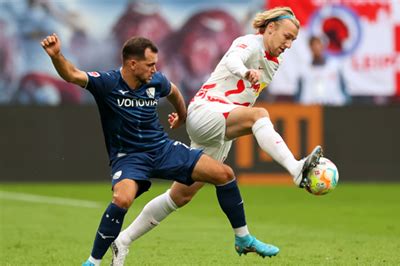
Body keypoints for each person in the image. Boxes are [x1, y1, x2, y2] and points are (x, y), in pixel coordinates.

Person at [41, 34, 279, 266]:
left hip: (161, 148)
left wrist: (183, 116)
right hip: (129, 157)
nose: (154, 69)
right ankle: (93, 262)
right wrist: (57, 55)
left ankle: (242, 238)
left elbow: (174, 91)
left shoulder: (155, 80)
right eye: (150, 64)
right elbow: (72, 74)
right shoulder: (108, 83)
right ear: (132, 64)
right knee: (122, 199)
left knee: (224, 174)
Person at [112, 6, 323, 265]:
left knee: (181, 195)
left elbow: (240, 94)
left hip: (220, 125)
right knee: (260, 115)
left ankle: (123, 240)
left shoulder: (273, 62)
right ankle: (296, 169)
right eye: (286, 36)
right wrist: (245, 72)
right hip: (206, 111)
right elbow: (234, 61)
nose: (288, 44)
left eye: (293, 40)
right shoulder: (248, 43)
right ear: (270, 29)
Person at [299, 34, 349, 106]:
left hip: (334, 107)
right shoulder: (304, 69)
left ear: (323, 46)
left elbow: (343, 89)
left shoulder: (334, 66)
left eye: (318, 44)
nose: (316, 48)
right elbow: (300, 92)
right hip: (310, 108)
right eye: (314, 45)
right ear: (310, 47)